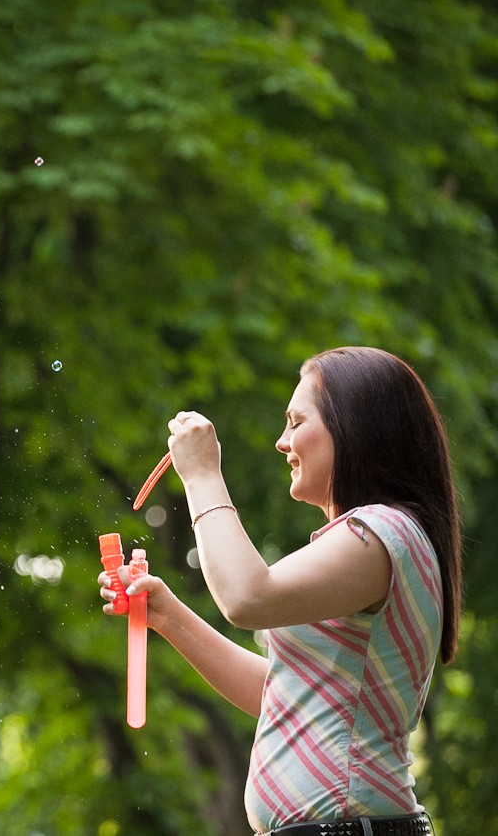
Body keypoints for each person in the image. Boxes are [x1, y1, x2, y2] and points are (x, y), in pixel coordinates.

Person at [100, 346, 460, 836]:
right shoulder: (375, 541)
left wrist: (203, 474)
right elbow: (281, 695)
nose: (281, 441)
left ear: (352, 426)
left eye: (296, 422)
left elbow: (247, 597)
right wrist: (170, 617)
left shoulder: (381, 532)